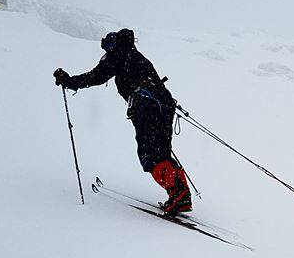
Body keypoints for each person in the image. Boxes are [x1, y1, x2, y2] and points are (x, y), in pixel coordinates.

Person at [53, 28, 192, 216]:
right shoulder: (137, 56)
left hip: (145, 105)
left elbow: (96, 76)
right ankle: (180, 195)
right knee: (161, 151)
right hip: (164, 105)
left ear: (113, 45)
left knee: (149, 154)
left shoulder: (117, 54)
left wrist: (69, 81)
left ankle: (178, 193)